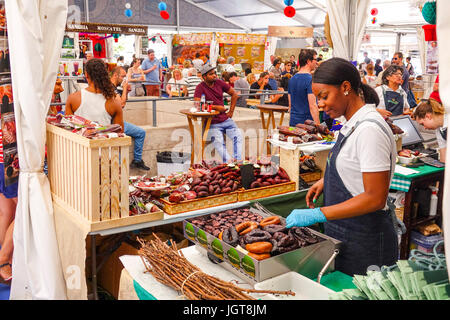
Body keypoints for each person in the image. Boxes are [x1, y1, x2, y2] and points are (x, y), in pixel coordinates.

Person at [285, 57, 398, 276]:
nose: (320, 104)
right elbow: (353, 164)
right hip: (345, 234)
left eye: (324, 96)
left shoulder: (369, 130)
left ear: (346, 87)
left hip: (366, 241)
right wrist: (325, 181)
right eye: (318, 98)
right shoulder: (350, 124)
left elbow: (375, 198)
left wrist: (319, 213)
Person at [194, 64, 242, 162]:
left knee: (238, 136)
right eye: (211, 74)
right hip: (212, 122)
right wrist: (216, 107)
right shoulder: (200, 87)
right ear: (204, 77)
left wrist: (231, 112)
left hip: (225, 119)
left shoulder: (219, 82)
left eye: (215, 73)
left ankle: (238, 161)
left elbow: (234, 94)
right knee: (219, 144)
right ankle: (230, 165)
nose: (214, 75)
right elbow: (197, 104)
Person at [66, 58, 124, 130]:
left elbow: (68, 129)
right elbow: (120, 133)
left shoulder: (73, 98)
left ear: (86, 74)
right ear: (105, 74)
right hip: (103, 140)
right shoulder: (114, 102)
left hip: (78, 140)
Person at [111, 66, 150, 170]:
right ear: (115, 75)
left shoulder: (114, 87)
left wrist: (126, 92)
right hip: (113, 124)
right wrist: (124, 88)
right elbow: (121, 104)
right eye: (123, 76)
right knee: (118, 149)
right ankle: (118, 172)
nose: (124, 79)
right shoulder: (110, 87)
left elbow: (123, 101)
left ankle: (137, 160)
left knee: (140, 133)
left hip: (118, 122)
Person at [0, 125, 17, 284]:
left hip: (3, 158)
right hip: (9, 158)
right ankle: (4, 260)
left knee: (7, 212)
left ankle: (9, 260)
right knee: (23, 212)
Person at [288, 49, 320, 126]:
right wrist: (318, 126)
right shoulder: (310, 80)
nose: (317, 62)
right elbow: (313, 106)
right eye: (315, 59)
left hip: (293, 122)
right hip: (307, 124)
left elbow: (290, 104)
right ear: (308, 61)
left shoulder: (292, 79)